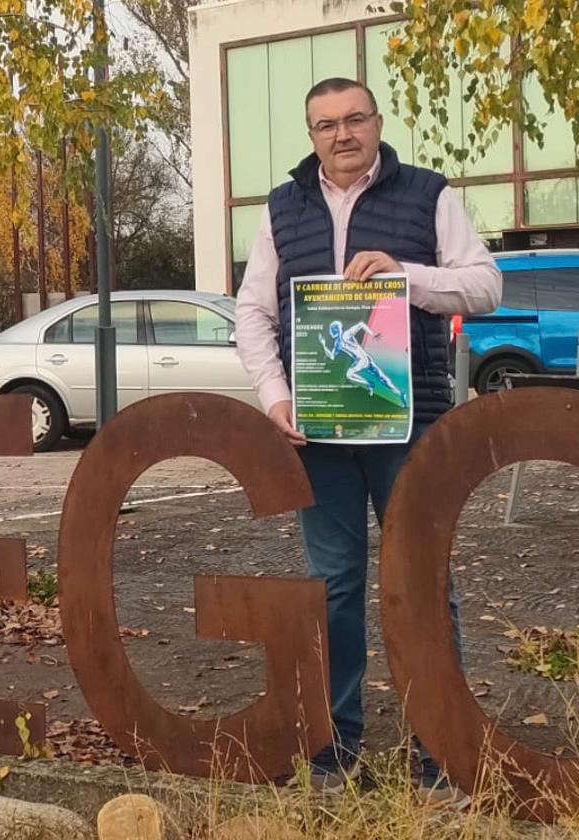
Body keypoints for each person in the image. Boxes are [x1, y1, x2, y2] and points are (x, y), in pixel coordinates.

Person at [235, 78, 501, 804]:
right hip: (316, 432)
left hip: (408, 428)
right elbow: (253, 312)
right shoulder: (283, 207)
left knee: (420, 585)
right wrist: (275, 395)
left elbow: (486, 286)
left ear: (378, 122)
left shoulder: (426, 194)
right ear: (310, 132)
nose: (341, 134)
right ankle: (332, 757)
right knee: (334, 589)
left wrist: (406, 276)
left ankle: (442, 758)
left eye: (355, 119)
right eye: (325, 124)